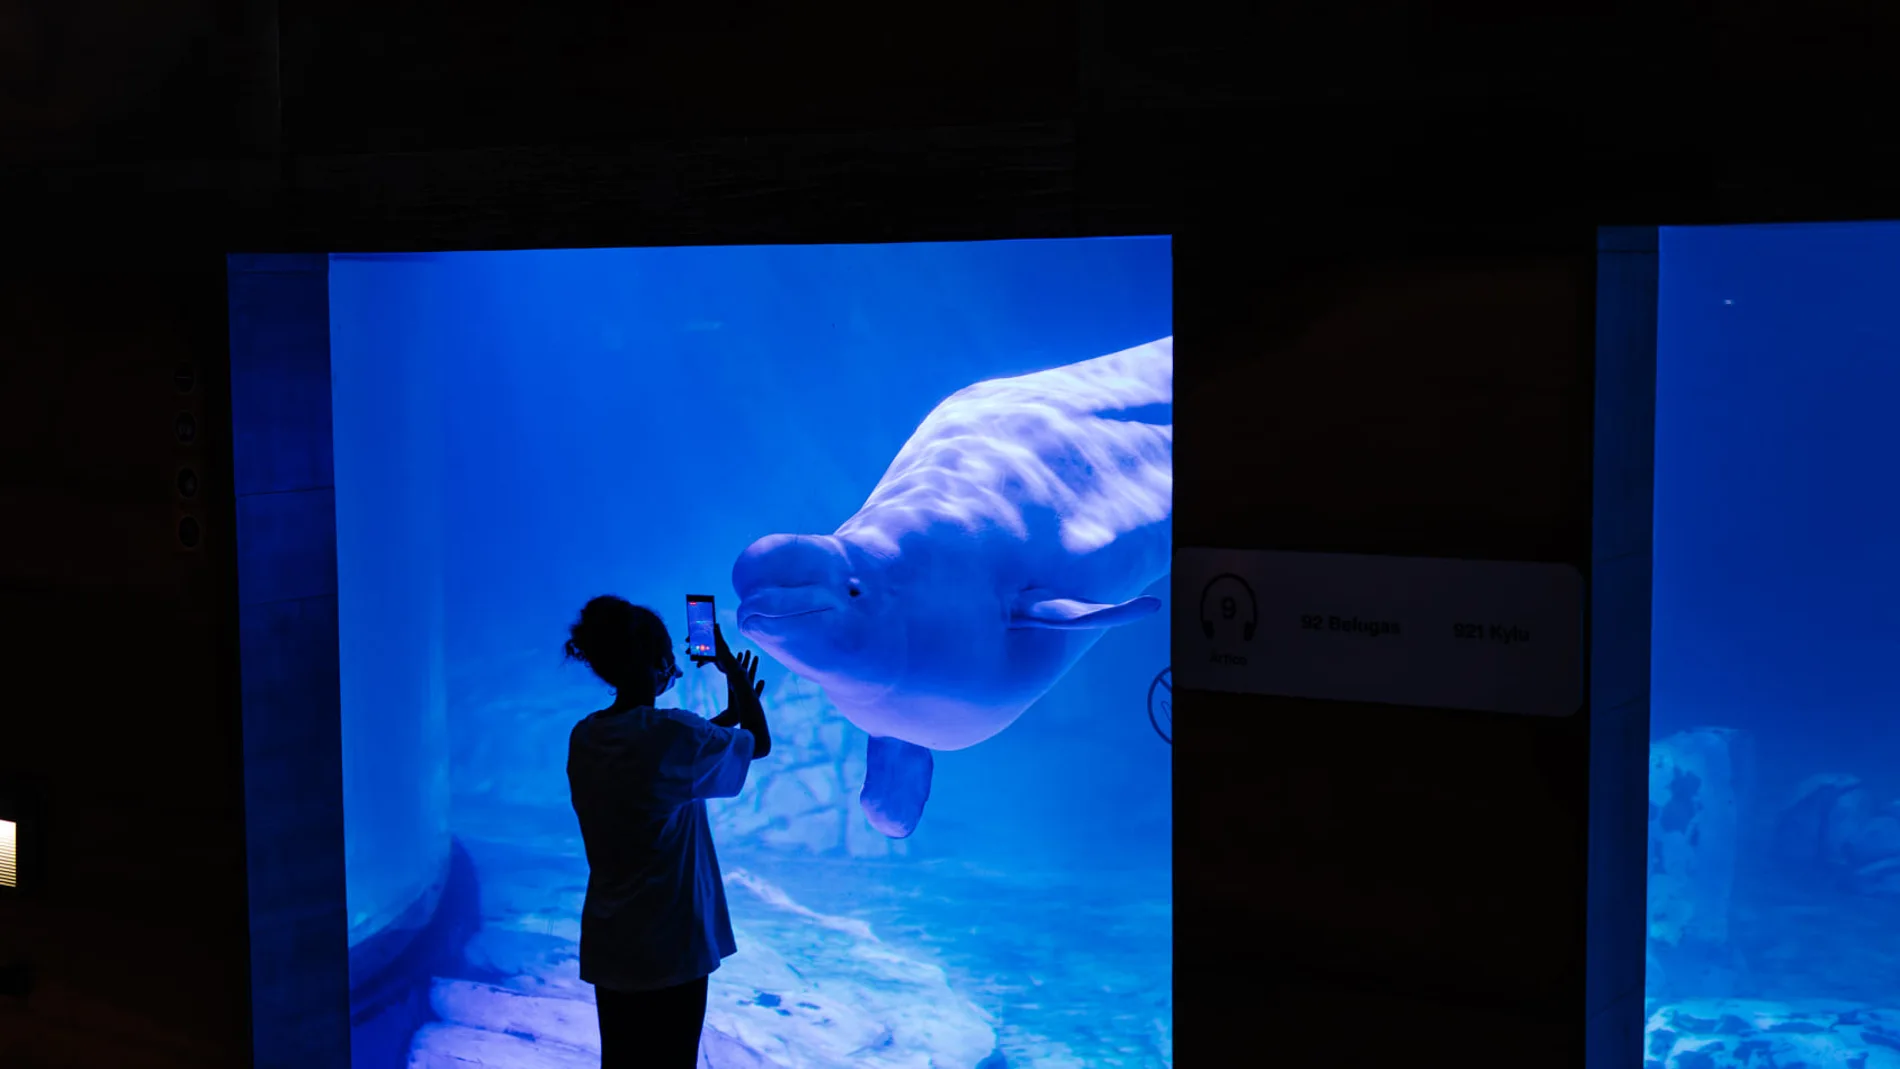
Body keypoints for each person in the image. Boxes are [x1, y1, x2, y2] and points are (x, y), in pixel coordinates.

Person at [562, 594, 774, 1068]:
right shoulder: (674, 736)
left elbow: (674, 754)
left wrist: (726, 716)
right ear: (658, 664)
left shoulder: (587, 736)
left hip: (611, 939)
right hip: (672, 944)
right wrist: (731, 670)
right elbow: (757, 743)